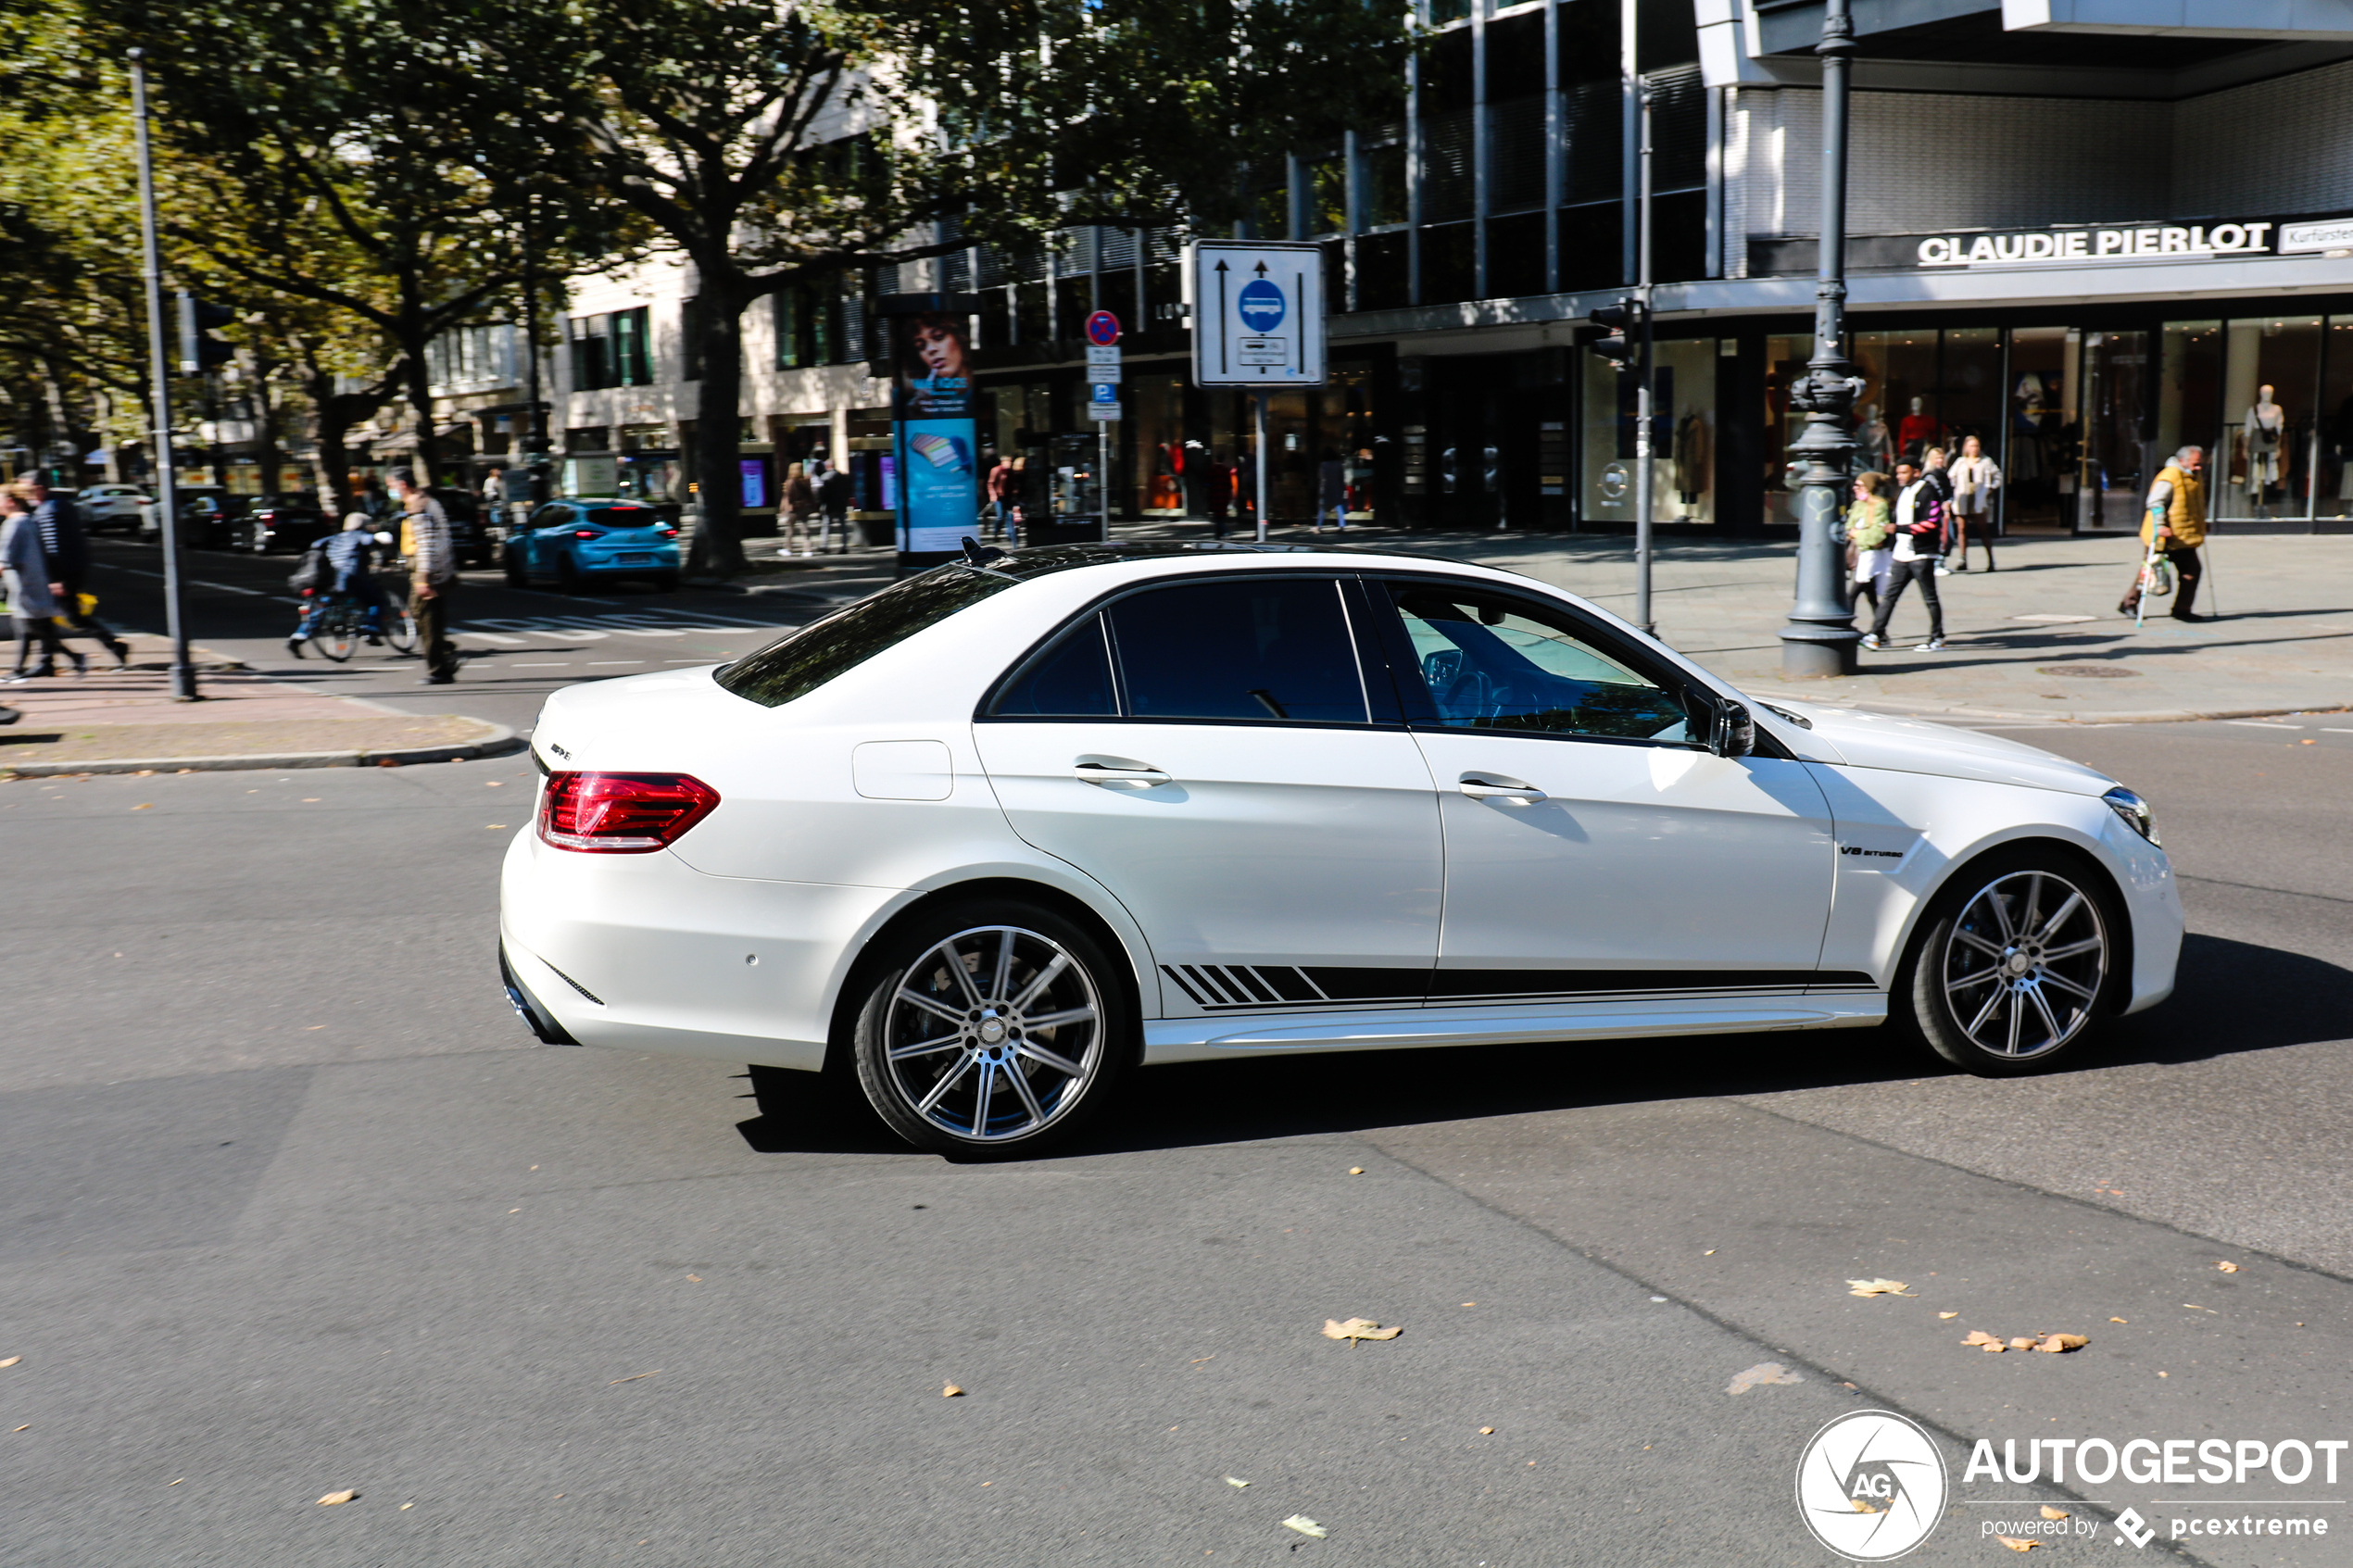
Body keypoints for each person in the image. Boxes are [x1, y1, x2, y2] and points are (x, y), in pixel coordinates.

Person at [21, 474, 131, 667]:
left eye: (25, 488)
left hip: (64, 571)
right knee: (44, 617)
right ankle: (47, 660)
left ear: (39, 487)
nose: (22, 493)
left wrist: (58, 578)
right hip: (72, 568)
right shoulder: (57, 504)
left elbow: (54, 546)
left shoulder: (49, 509)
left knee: (69, 617)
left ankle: (112, 645)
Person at [1861, 458, 1946, 652]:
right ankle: (1876, 634)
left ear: (1916, 472)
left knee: (1929, 597)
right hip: (1902, 553)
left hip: (1921, 554)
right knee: (1890, 596)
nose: (1899, 477)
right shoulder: (1903, 492)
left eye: (1903, 473)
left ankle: (1938, 638)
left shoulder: (1927, 491)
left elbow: (1932, 522)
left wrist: (1899, 528)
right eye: (1898, 473)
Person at [2119, 445, 2209, 622]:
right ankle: (2129, 603)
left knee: (2192, 571)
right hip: (2163, 536)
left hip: (2183, 535)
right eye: (2195, 463)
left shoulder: (2193, 477)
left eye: (2200, 463)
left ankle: (2182, 609)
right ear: (2182, 461)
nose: (2199, 467)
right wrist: (2160, 526)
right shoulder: (2170, 476)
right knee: (2150, 572)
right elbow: (2155, 503)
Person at [388, 468, 458, 684]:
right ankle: (444, 654)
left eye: (391, 486)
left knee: (427, 619)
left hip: (427, 570)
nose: (390, 491)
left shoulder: (420, 507)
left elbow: (426, 545)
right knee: (423, 615)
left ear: (402, 485)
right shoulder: (425, 502)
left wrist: (423, 577)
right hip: (435, 569)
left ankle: (438, 669)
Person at [4, 489, 82, 681]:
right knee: (28, 630)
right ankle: (20, 669)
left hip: (25, 587)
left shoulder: (15, 524)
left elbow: (5, 558)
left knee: (33, 629)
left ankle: (76, 657)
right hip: (33, 584)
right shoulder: (29, 521)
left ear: (11, 501)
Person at [284, 515, 387, 657]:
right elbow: (370, 540)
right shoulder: (360, 535)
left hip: (333, 577)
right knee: (375, 601)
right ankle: (370, 630)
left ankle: (298, 637)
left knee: (325, 605)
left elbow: (316, 544)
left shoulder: (336, 537)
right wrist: (380, 541)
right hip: (352, 576)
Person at [1945, 435, 2000, 572]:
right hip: (1963, 497)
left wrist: (1990, 489)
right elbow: (1950, 476)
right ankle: (1962, 558)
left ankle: (1990, 560)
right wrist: (1954, 490)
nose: (1975, 449)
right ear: (1966, 447)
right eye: (1972, 446)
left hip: (1978, 498)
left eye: (1977, 446)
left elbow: (1998, 476)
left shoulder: (1986, 461)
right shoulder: (1960, 462)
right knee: (1962, 529)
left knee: (1983, 530)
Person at [1843, 471, 1893, 615]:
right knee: (1871, 596)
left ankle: (1848, 627)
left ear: (1868, 487)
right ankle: (1880, 632)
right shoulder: (1858, 505)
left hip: (1871, 554)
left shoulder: (1879, 505)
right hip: (1859, 552)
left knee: (1852, 595)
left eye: (1859, 485)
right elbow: (1848, 527)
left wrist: (1857, 534)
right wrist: (1855, 533)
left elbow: (1876, 535)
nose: (1855, 488)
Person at [816, 458, 852, 552]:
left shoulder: (824, 477)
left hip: (829, 505)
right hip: (841, 504)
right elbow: (848, 490)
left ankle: (824, 545)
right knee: (843, 526)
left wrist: (820, 504)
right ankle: (844, 546)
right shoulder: (842, 476)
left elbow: (822, 492)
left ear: (827, 466)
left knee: (826, 525)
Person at [781, 460, 816, 556]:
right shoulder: (805, 481)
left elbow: (788, 496)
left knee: (790, 530)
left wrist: (785, 508)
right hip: (804, 507)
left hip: (793, 509)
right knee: (805, 530)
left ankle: (788, 548)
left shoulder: (790, 481)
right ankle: (807, 549)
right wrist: (813, 505)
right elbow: (810, 494)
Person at [1315, 449, 1347, 533]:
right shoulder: (1339, 465)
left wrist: (1321, 490)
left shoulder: (1323, 465)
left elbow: (1322, 478)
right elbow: (1342, 477)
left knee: (1322, 508)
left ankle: (1319, 526)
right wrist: (1343, 488)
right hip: (1337, 488)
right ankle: (1342, 525)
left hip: (1326, 488)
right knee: (1339, 506)